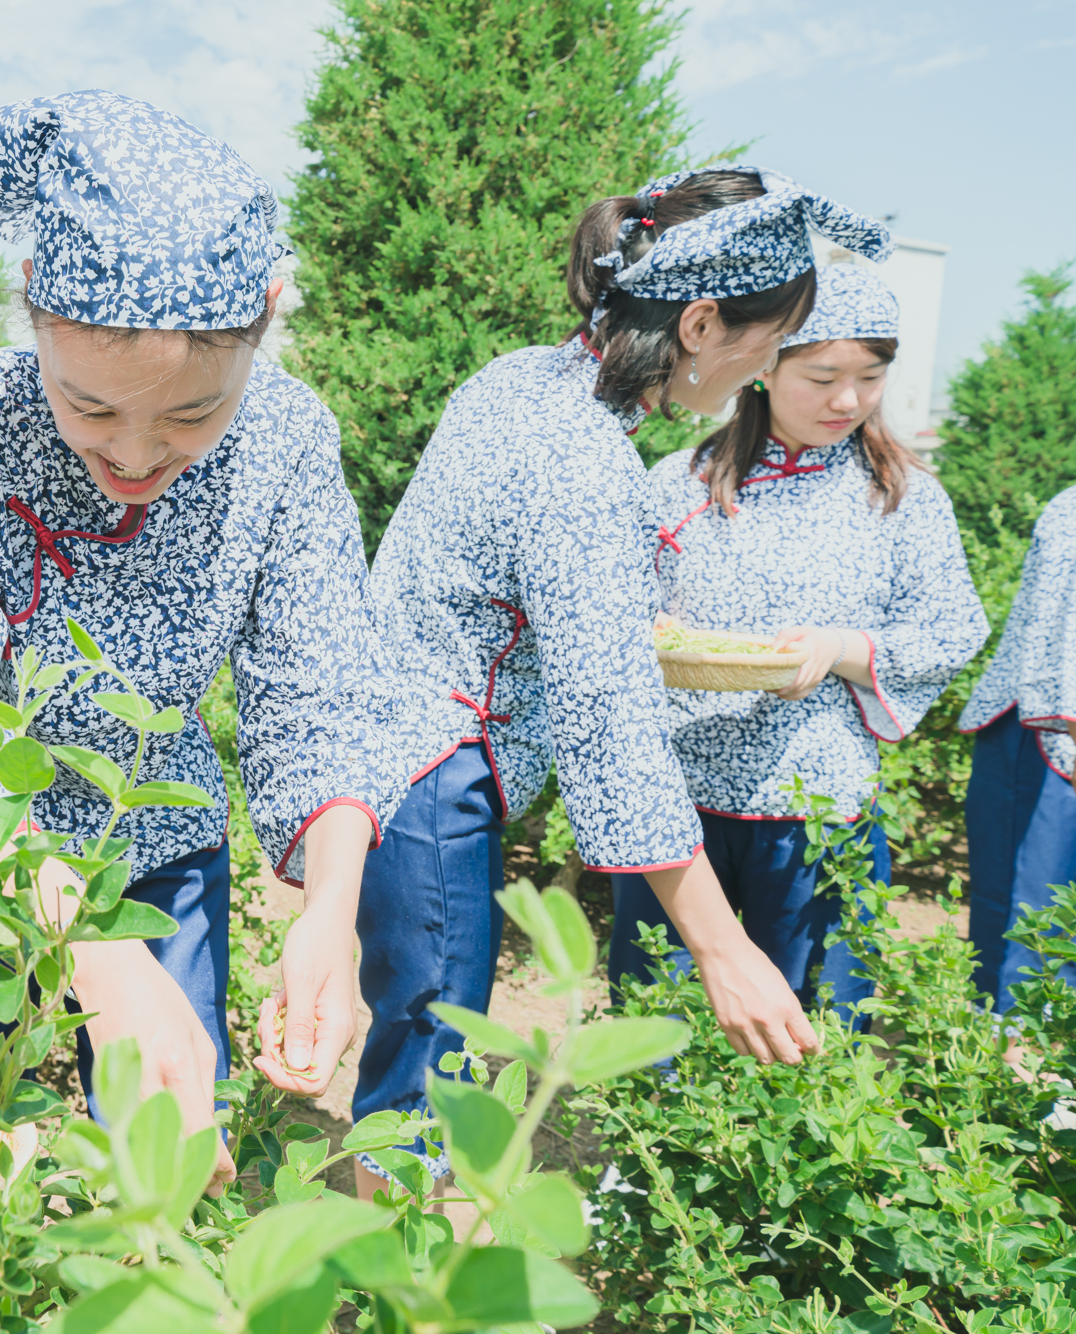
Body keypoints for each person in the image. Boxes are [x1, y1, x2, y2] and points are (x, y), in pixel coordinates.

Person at [0, 91, 416, 1183]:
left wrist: (329, 917)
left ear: (262, 316)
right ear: (29, 308)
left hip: (154, 844)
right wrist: (87, 951)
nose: (131, 452)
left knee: (162, 1155)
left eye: (188, 417)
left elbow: (316, 689)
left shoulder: (288, 439)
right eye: (89, 406)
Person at [359, 166, 892, 1194]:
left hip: (395, 755)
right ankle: (399, 1282)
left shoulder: (524, 376)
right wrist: (721, 945)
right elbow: (608, 727)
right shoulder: (583, 461)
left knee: (418, 1048)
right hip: (435, 771)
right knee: (433, 1073)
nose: (751, 379)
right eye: (759, 346)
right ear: (699, 323)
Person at [611, 262, 987, 1017]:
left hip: (819, 807)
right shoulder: (681, 481)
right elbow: (619, 608)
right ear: (762, 367)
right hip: (678, 806)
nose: (847, 400)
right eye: (822, 377)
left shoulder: (901, 496)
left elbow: (953, 627)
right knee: (661, 1021)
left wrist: (842, 649)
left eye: (871, 377)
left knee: (814, 1023)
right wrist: (647, 628)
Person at [959, 486, 1076, 1011]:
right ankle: (1022, 1076)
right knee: (1036, 924)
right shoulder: (1071, 511)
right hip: (1051, 737)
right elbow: (1061, 636)